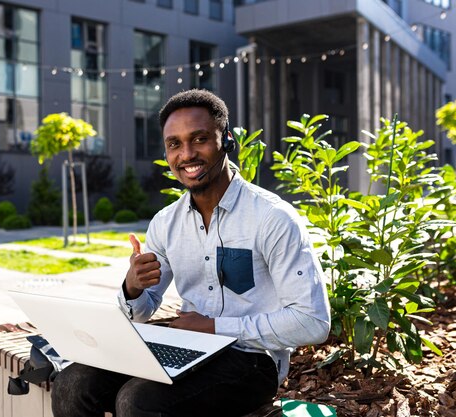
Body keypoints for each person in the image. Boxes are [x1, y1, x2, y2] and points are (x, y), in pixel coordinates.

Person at [51, 89, 330, 417]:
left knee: (136, 401)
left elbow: (313, 322)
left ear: (226, 140)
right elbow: (141, 312)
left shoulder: (272, 218)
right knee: (72, 383)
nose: (187, 154)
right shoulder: (166, 223)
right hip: (186, 348)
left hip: (253, 361)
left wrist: (214, 327)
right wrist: (132, 287)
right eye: (174, 144)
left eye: (199, 139)